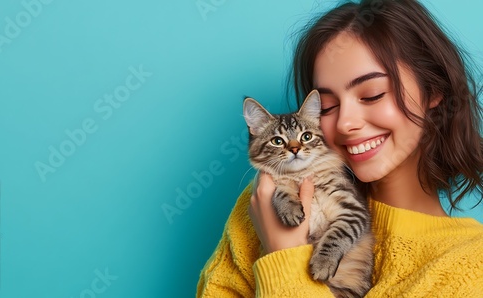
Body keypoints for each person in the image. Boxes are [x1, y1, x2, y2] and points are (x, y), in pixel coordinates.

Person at [197, 0, 483, 297]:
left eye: (372, 95)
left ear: (434, 91)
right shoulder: (263, 201)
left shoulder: (473, 265)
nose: (345, 123)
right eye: (328, 106)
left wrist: (284, 255)